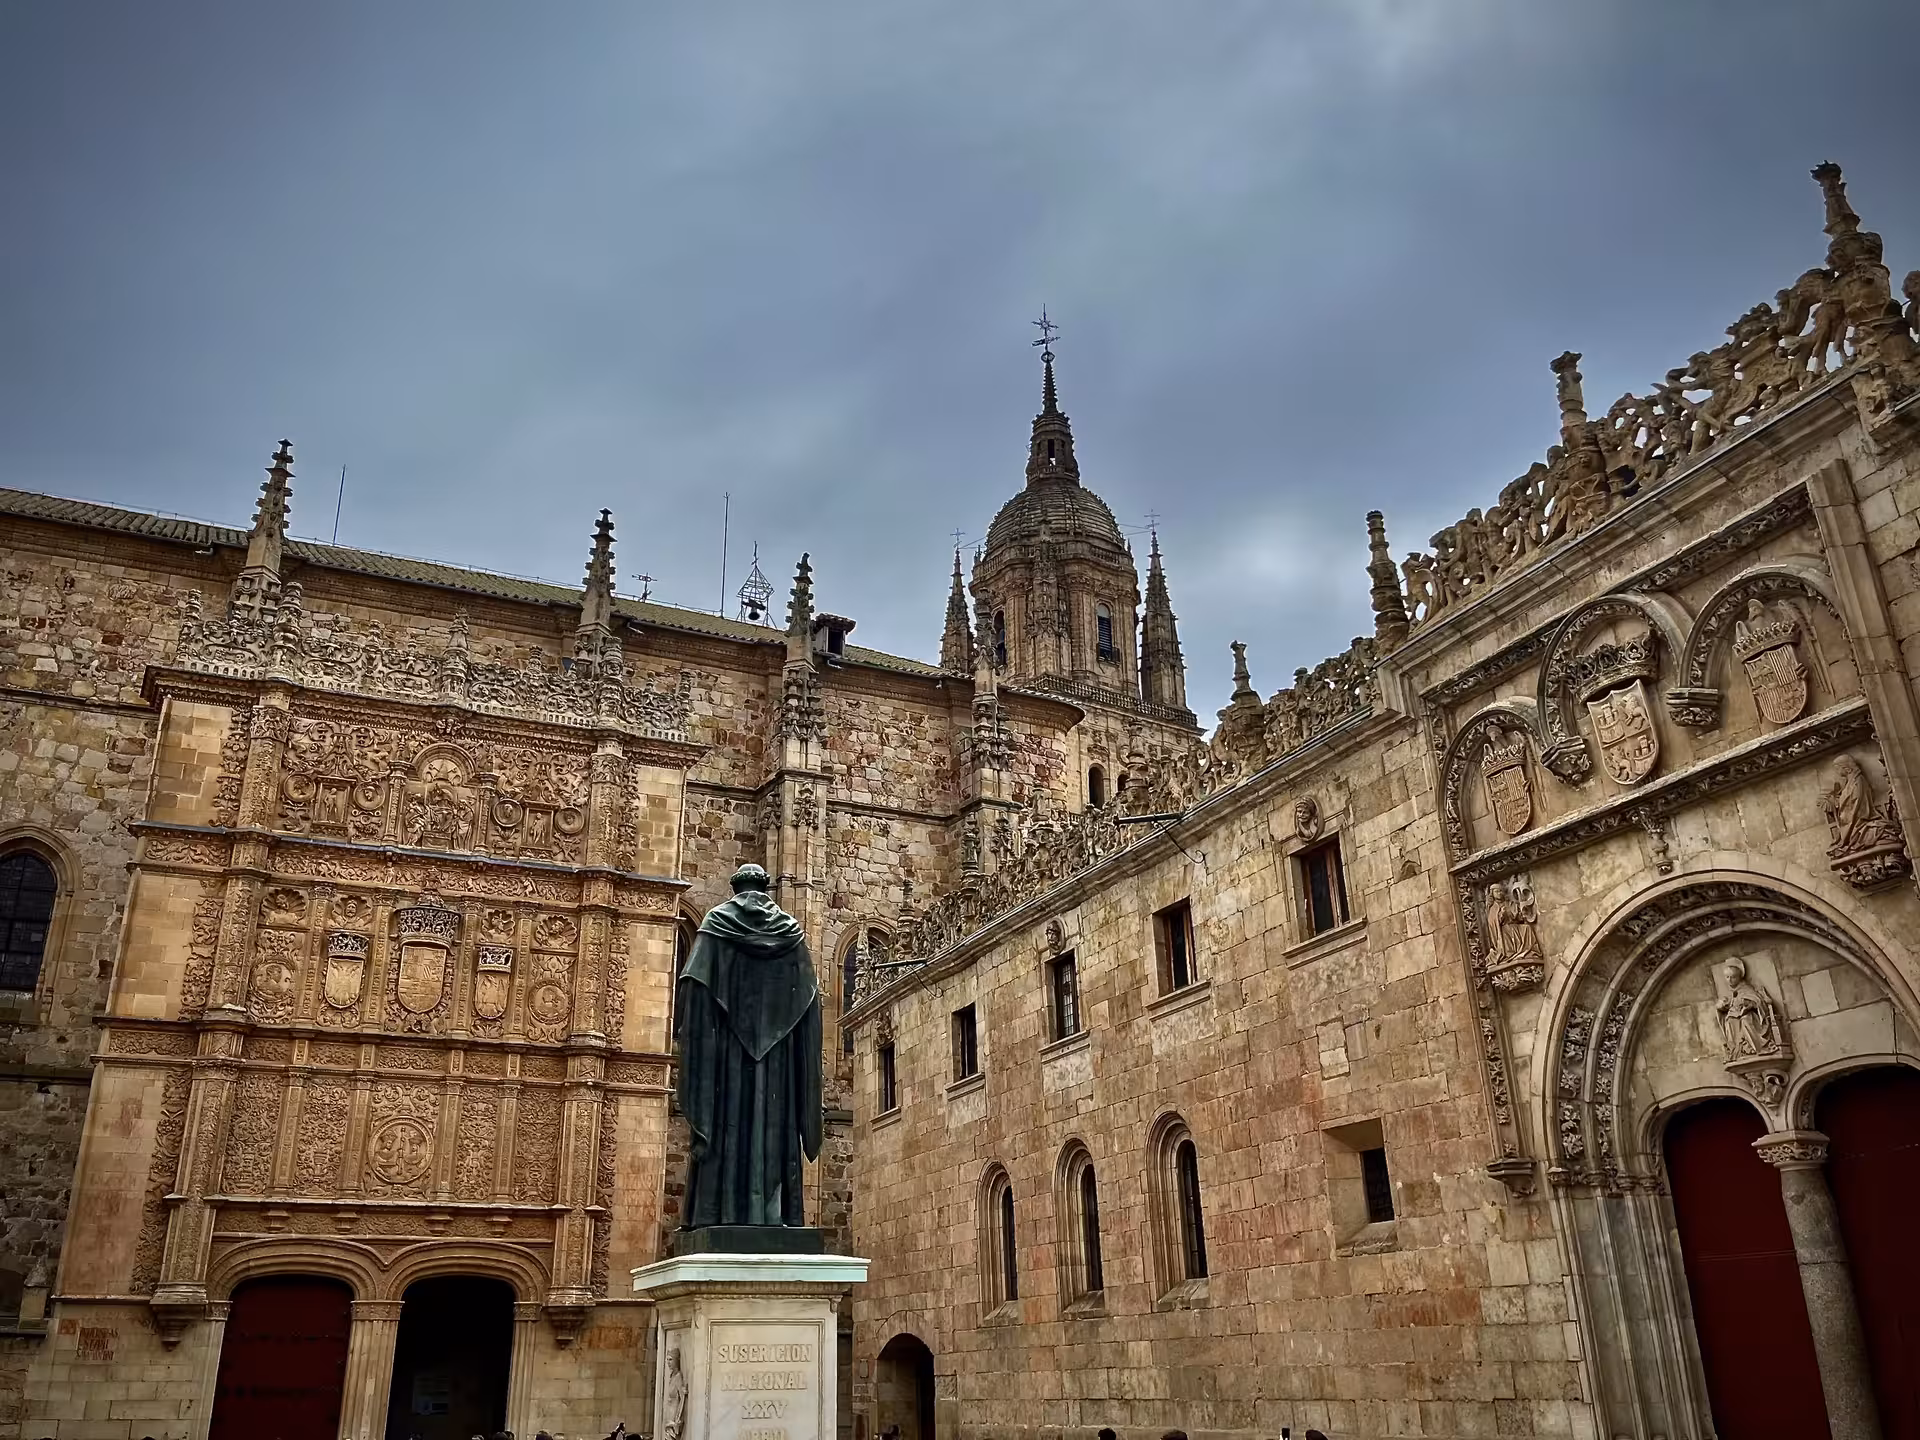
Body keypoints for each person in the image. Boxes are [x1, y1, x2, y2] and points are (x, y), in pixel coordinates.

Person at [675, 864, 824, 1229]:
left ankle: (717, 1213)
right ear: (765, 888)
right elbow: (809, 999)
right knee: (773, 1127)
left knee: (729, 1126)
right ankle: (776, 1216)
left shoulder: (715, 924)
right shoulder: (791, 933)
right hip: (780, 1062)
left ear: (735, 888)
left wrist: (697, 1039)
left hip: (726, 1058)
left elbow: (694, 988)